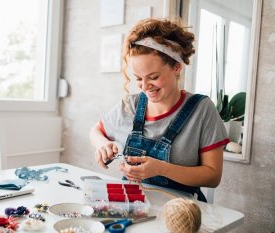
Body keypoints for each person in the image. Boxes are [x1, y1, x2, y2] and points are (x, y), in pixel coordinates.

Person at [89, 18, 230, 202]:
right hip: (133, 205)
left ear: (176, 67)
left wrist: (161, 168)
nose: (145, 86)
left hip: (182, 210)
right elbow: (96, 130)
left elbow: (212, 177)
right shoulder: (130, 105)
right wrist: (102, 144)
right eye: (138, 78)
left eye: (153, 77)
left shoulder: (201, 110)